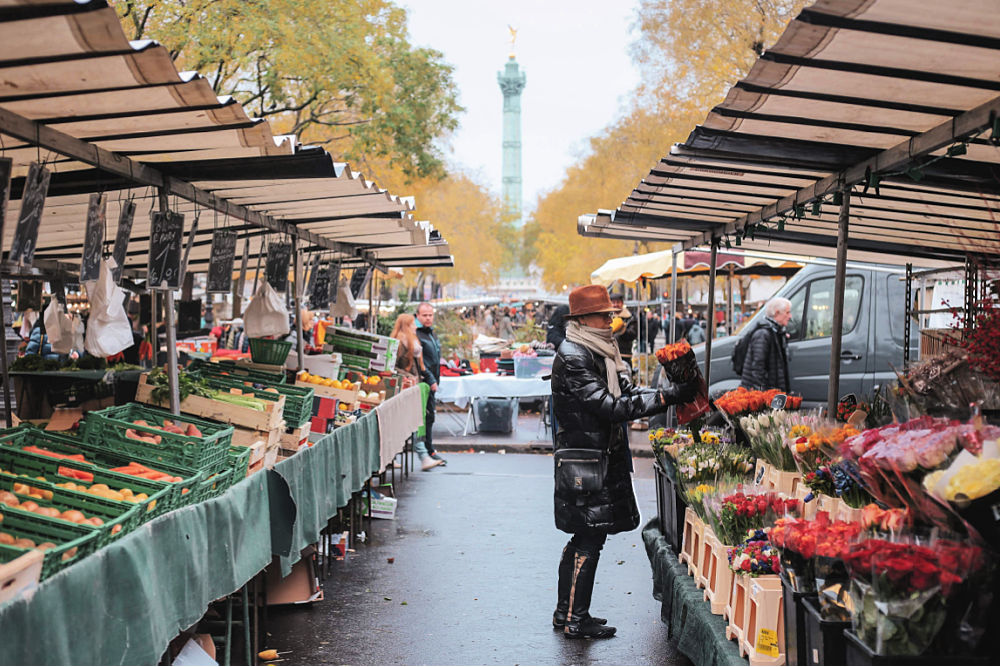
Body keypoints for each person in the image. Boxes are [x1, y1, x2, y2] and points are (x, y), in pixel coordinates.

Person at [550, 285, 698, 639]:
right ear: (583, 319)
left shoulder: (601, 350)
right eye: (604, 315)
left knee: (586, 539)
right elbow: (609, 406)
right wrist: (666, 397)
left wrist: (666, 392)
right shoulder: (575, 355)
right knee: (587, 538)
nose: (611, 320)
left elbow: (626, 394)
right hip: (585, 462)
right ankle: (573, 618)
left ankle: (567, 612)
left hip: (596, 457)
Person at [391, 313, 443, 471]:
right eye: (413, 323)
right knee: (413, 423)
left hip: (413, 387)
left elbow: (419, 366)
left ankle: (417, 456)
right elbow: (394, 366)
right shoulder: (401, 342)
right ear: (407, 325)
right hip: (407, 388)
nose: (416, 326)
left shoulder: (411, 340)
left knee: (411, 423)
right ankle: (423, 456)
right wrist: (409, 378)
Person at [416, 302, 447, 467]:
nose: (428, 318)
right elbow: (421, 363)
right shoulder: (417, 335)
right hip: (425, 382)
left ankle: (430, 450)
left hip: (432, 381)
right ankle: (428, 451)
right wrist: (430, 379)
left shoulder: (432, 334)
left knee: (430, 417)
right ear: (418, 316)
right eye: (425, 315)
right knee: (426, 417)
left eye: (430, 315)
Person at [740, 297, 792, 393]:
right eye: (787, 312)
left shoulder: (776, 332)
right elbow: (757, 369)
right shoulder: (763, 334)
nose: (790, 316)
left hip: (771, 393)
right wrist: (763, 396)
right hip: (761, 396)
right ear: (777, 313)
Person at [608, 290, 637, 369]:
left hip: (624, 354)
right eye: (613, 302)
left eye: (618, 302)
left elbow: (633, 334)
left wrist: (622, 330)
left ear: (622, 303)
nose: (616, 305)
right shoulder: (607, 317)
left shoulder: (630, 318)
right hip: (609, 354)